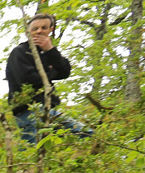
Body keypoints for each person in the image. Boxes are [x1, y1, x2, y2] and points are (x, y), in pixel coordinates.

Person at [5, 13, 91, 144]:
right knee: (32, 152)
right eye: (35, 29)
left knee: (86, 134)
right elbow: (27, 79)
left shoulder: (48, 53)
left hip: (50, 110)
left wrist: (50, 50)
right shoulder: (20, 52)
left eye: (44, 28)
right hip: (28, 111)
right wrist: (51, 71)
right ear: (28, 32)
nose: (39, 31)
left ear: (51, 30)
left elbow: (65, 71)